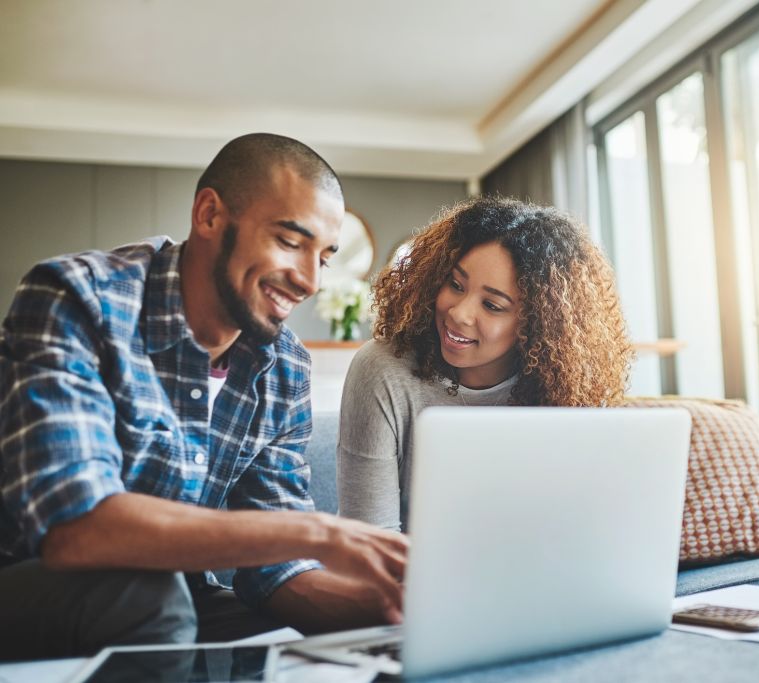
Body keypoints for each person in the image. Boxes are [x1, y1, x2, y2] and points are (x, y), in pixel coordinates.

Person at [0, 133, 408, 661]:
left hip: (174, 598)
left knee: (286, 643)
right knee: (152, 597)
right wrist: (318, 532)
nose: (309, 281)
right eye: (289, 241)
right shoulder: (76, 298)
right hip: (31, 580)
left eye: (324, 257)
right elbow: (75, 528)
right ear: (210, 215)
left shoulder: (284, 366)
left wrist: (390, 609)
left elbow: (274, 571)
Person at [337, 196, 633, 532]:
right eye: (455, 284)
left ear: (536, 323)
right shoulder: (383, 370)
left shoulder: (567, 388)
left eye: (492, 305)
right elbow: (369, 541)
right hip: (405, 577)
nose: (459, 313)